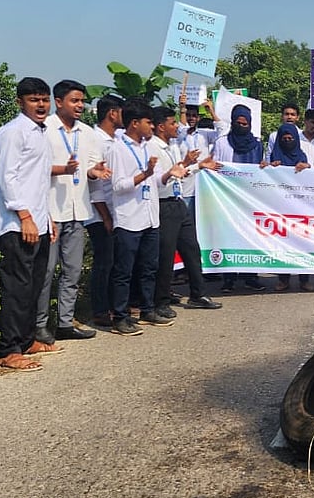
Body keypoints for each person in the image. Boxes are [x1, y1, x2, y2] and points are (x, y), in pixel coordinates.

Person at [0, 77, 62, 371]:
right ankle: (8, 350)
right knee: (17, 287)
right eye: (34, 100)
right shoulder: (13, 132)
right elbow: (7, 177)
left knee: (34, 285)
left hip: (38, 220)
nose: (41, 105)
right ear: (20, 102)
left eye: (44, 99)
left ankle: (27, 339)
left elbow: (37, 181)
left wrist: (47, 218)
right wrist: (24, 216)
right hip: (16, 224)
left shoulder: (40, 133)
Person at [37, 79, 108, 343]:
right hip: (51, 212)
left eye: (82, 101)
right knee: (46, 273)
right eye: (74, 100)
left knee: (72, 271)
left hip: (78, 211)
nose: (80, 105)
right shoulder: (44, 130)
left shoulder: (87, 133)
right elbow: (34, 170)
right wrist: (62, 170)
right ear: (59, 102)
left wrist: (94, 172)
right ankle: (40, 325)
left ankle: (65, 323)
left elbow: (90, 168)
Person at [108, 99, 185, 335]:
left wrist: (166, 174)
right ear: (134, 123)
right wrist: (145, 174)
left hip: (150, 216)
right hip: (129, 217)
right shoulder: (118, 149)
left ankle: (147, 309)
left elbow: (156, 179)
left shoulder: (145, 147)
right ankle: (120, 316)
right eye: (148, 123)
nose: (152, 127)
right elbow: (118, 186)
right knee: (124, 271)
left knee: (149, 267)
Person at [147, 106, 223, 316]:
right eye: (173, 123)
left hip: (178, 201)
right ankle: (160, 301)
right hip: (164, 204)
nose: (177, 127)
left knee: (191, 248)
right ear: (161, 127)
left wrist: (197, 166)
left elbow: (179, 173)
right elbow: (159, 180)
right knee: (166, 255)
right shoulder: (152, 148)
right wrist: (179, 169)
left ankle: (198, 294)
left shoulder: (171, 146)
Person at [210, 104, 267, 293]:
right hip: (227, 198)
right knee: (228, 237)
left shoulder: (257, 144)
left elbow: (261, 169)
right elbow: (216, 168)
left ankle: (251, 276)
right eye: (238, 123)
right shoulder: (222, 143)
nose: (242, 126)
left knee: (251, 237)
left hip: (250, 199)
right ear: (233, 122)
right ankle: (229, 278)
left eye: (245, 123)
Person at [86, 94, 123, 327]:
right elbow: (95, 184)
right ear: (112, 113)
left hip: (113, 210)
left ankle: (111, 305)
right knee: (103, 263)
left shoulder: (116, 139)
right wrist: (106, 216)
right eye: (121, 111)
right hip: (99, 214)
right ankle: (99, 310)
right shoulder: (96, 140)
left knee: (114, 261)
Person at [265, 123, 314, 292]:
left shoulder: (302, 155)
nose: (287, 140)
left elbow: (312, 179)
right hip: (280, 207)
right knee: (282, 243)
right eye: (284, 138)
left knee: (302, 242)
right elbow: (264, 177)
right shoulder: (274, 155)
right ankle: (283, 279)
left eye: (290, 138)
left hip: (299, 208)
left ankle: (304, 279)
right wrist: (269, 167)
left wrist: (306, 167)